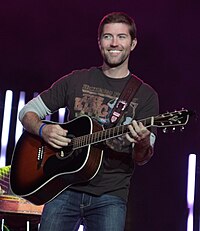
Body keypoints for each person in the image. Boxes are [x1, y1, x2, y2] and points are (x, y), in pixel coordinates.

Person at [19, 12, 159, 231]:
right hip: (63, 188)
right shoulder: (77, 79)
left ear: (133, 43)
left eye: (121, 37)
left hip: (110, 196)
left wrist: (141, 142)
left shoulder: (146, 95)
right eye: (107, 37)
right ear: (99, 42)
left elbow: (142, 157)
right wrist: (43, 129)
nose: (114, 43)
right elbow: (27, 112)